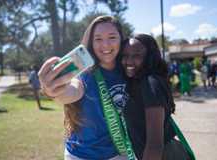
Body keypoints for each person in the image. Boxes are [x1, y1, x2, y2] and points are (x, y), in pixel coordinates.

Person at [38, 15, 130, 160]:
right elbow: (72, 90)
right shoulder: (84, 73)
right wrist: (54, 91)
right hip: (81, 155)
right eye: (98, 39)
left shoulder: (128, 71)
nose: (105, 45)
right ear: (91, 43)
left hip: (120, 153)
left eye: (112, 37)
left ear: (121, 39)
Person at [121, 34, 177, 160]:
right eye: (124, 56)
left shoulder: (150, 84)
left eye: (136, 56)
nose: (129, 61)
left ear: (149, 57)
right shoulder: (138, 81)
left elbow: (155, 145)